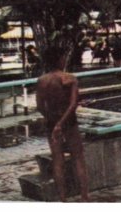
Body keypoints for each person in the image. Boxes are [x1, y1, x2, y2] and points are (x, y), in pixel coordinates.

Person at [35, 45, 90, 201]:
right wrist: (62, 122)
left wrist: (54, 122)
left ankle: (63, 199)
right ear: (60, 59)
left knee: (57, 160)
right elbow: (73, 104)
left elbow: (39, 106)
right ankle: (84, 197)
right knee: (78, 158)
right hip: (69, 121)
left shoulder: (42, 81)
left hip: (51, 122)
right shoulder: (70, 78)